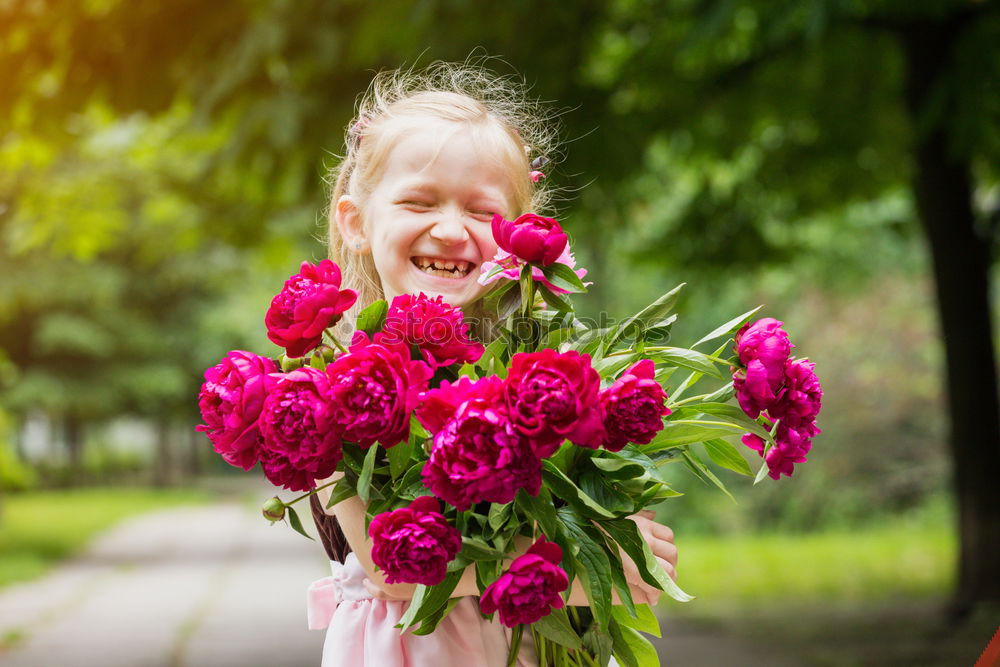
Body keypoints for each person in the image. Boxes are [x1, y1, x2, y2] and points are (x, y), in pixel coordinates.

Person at [306, 62, 679, 667]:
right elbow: (391, 573)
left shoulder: (541, 368)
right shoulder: (334, 387)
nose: (452, 230)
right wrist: (594, 568)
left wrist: (626, 535)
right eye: (418, 201)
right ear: (356, 222)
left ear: (518, 231)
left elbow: (600, 512)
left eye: (482, 212)